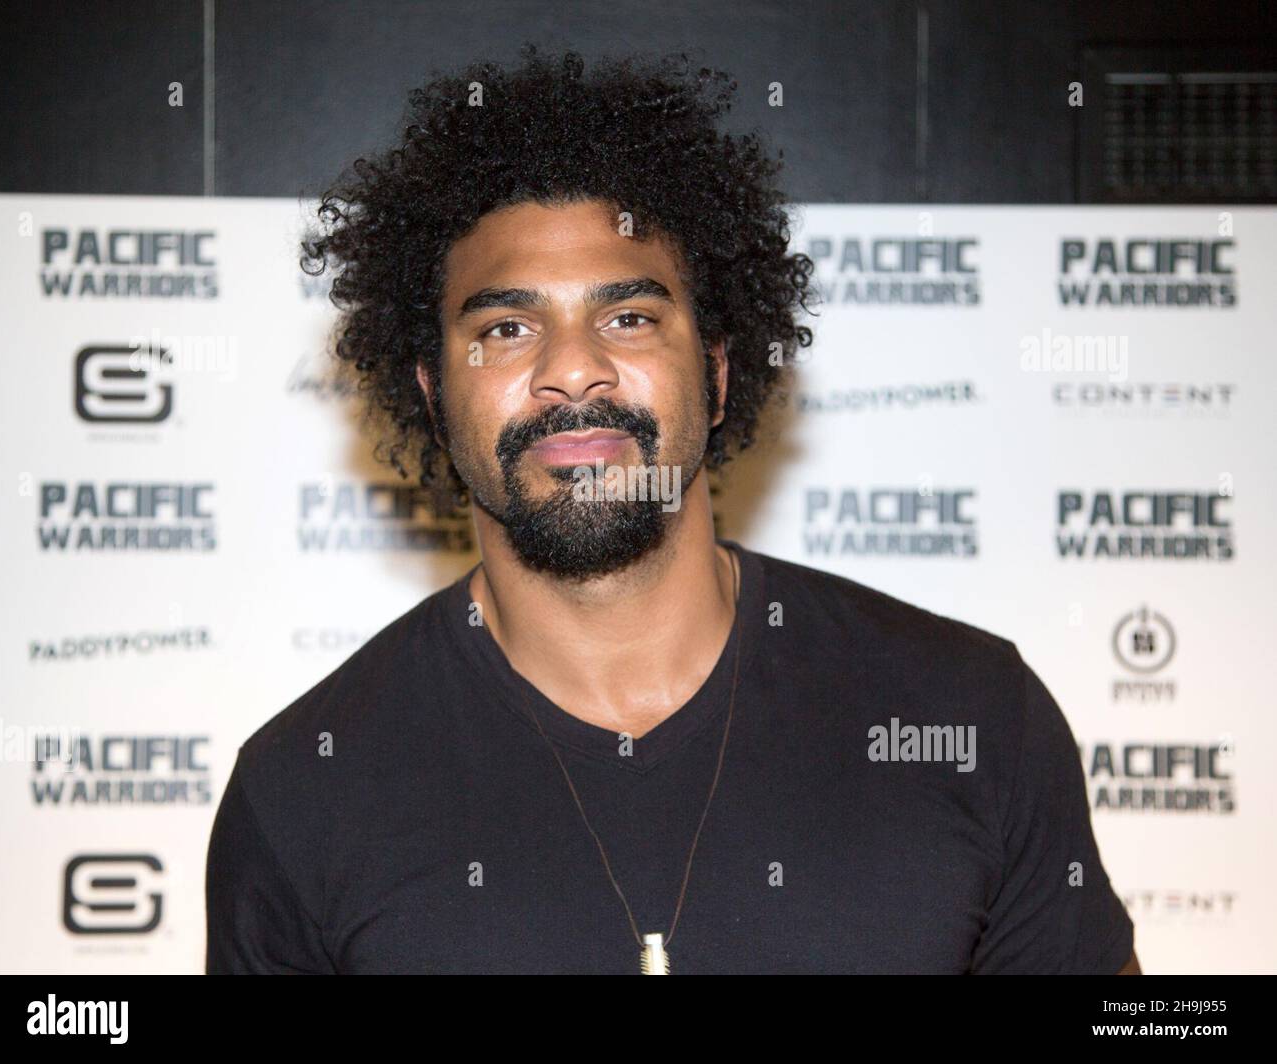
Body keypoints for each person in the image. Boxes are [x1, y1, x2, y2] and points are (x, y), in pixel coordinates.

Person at [205, 45, 1138, 975]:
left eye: (628, 318)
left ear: (720, 373)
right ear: (435, 396)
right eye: (506, 328)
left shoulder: (970, 715)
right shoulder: (304, 793)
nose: (572, 368)